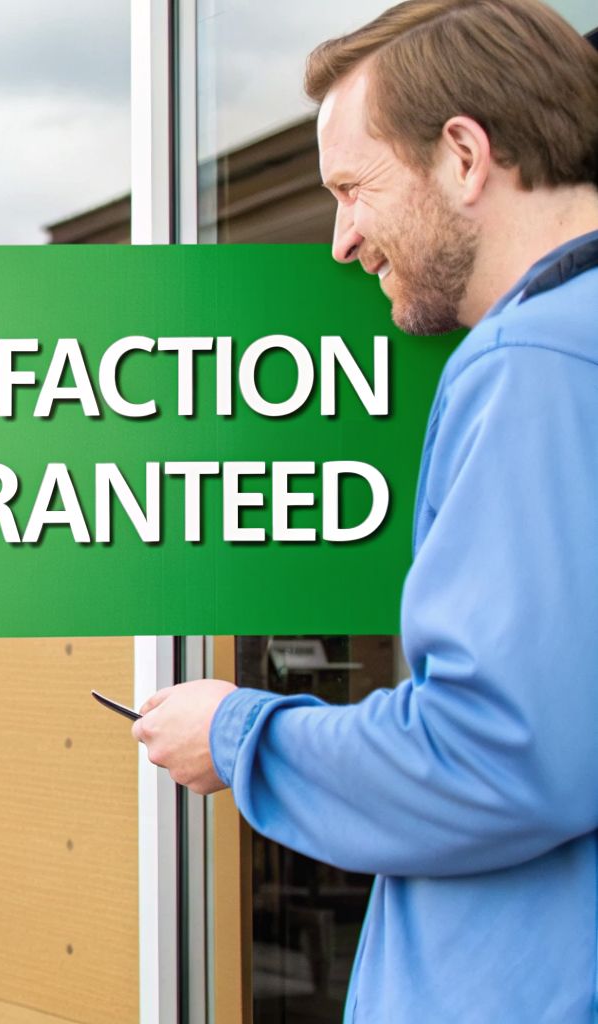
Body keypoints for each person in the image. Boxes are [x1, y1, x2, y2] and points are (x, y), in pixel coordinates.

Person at [135, 1, 598, 1019]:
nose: (340, 239)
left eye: (351, 188)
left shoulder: (536, 363)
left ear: (463, 155)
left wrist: (238, 734)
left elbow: (494, 755)